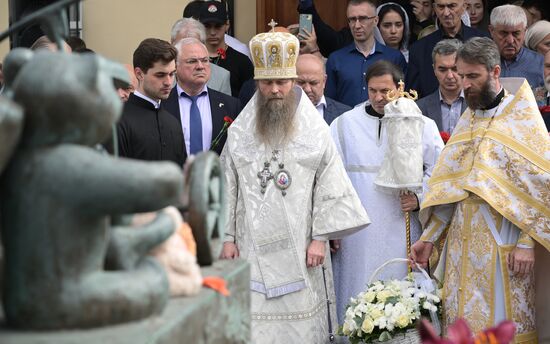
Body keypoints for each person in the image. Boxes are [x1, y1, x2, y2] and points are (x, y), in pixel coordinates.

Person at [220, 31, 370, 343]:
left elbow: (329, 186)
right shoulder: (239, 133)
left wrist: (320, 239)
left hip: (303, 252)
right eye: (266, 83)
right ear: (257, 83)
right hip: (250, 253)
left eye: (282, 82)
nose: (274, 90)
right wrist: (226, 238)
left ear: (292, 82)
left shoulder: (316, 131)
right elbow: (226, 188)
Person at [410, 37, 550, 336]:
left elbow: (543, 187)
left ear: (495, 71)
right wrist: (430, 238)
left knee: (502, 322)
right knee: (463, 321)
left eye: (473, 76)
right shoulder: (468, 118)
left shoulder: (522, 118)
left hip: (505, 239)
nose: (464, 85)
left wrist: (527, 243)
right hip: (462, 242)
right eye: (462, 76)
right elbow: (452, 188)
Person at [330, 60, 443, 323]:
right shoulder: (344, 124)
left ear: (400, 87)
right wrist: (334, 225)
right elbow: (330, 175)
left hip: (399, 221)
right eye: (373, 91)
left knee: (398, 285)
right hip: (356, 229)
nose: (379, 98)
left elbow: (439, 170)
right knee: (356, 284)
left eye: (386, 91)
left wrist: (418, 198)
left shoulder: (420, 123)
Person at [162, 38, 240, 159]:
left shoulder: (230, 106)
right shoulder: (161, 104)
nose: (200, 66)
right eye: (192, 61)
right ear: (175, 66)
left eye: (205, 60)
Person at [115, 38, 184, 167]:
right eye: (160, 75)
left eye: (172, 74)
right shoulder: (118, 119)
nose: (168, 82)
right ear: (139, 74)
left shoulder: (173, 124)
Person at [325, 0, 407, 107]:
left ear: (375, 20)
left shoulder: (394, 58)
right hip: (346, 122)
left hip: (385, 121)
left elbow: (403, 99)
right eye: (352, 19)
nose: (357, 25)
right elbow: (330, 103)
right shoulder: (336, 59)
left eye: (363, 18)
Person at [406, 0, 489, 98]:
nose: (446, 13)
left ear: (464, 7)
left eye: (452, 6)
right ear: (434, 8)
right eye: (441, 7)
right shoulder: (419, 49)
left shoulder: (483, 42)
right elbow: (412, 95)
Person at [198, 1, 254, 97]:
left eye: (218, 26)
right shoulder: (193, 60)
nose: (212, 32)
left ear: (227, 25)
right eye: (207, 26)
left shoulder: (242, 62)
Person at [170, 17, 232, 96]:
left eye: (194, 44)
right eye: (182, 44)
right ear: (172, 44)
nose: (188, 50)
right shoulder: (161, 74)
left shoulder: (221, 77)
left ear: (204, 45)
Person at [416, 39, 466, 133]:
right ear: (434, 69)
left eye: (455, 69)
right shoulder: (419, 108)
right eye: (443, 70)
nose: (450, 76)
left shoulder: (479, 105)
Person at [489, 4, 544, 89]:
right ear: (491, 31)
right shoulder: (478, 62)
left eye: (516, 34)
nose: (510, 40)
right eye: (503, 33)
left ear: (525, 31)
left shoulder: (541, 65)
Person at [295, 54, 351, 125]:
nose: (307, 89)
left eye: (313, 83)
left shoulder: (345, 115)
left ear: (324, 81)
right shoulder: (279, 113)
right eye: (301, 82)